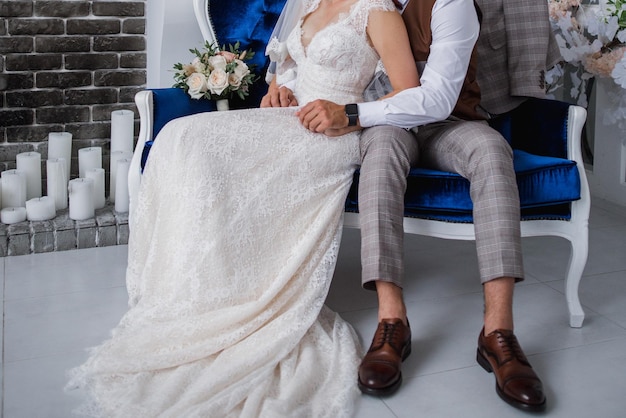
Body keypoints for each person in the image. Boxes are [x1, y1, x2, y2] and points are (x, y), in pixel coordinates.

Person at [65, 0, 418, 417]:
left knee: (193, 143)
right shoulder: (308, 5)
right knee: (179, 136)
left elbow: (410, 92)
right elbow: (288, 72)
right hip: (288, 120)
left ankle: (230, 296)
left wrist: (348, 115)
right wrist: (278, 90)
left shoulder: (378, 11)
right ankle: (195, 289)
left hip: (333, 134)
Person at [266, 0, 557, 412]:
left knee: (493, 151)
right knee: (381, 154)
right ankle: (391, 321)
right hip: (381, 127)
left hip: (447, 123)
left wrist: (350, 113)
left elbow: (436, 99)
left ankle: (498, 334)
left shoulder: (450, 4)